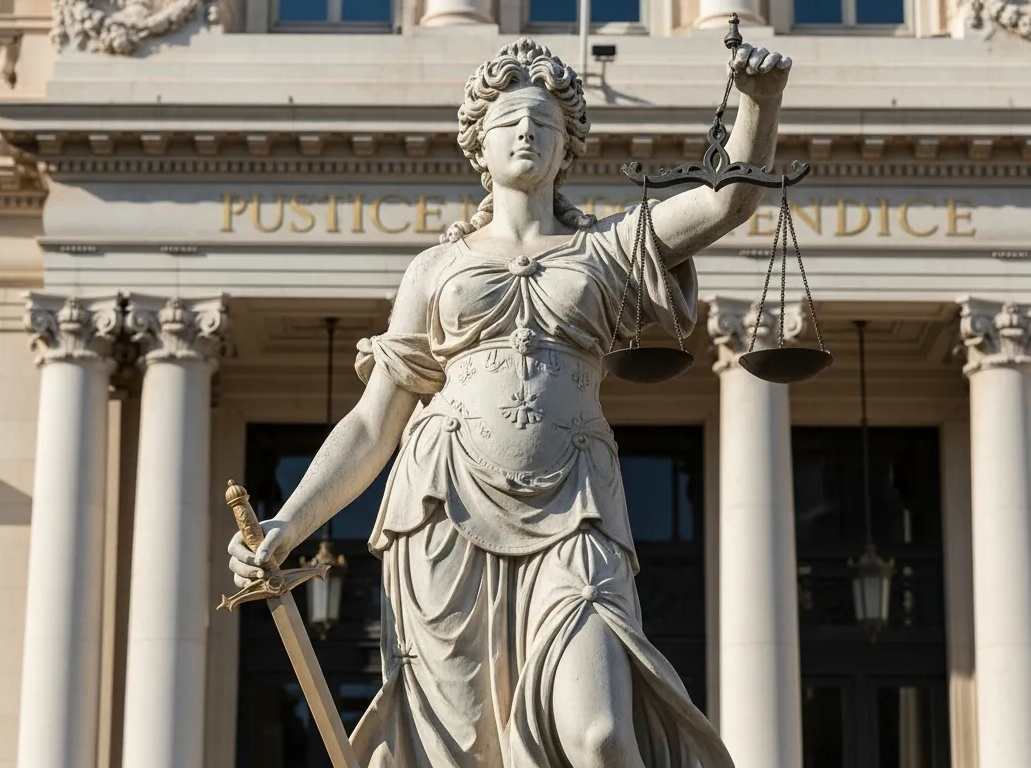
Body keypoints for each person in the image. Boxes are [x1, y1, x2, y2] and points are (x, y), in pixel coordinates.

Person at [228, 34, 792, 767]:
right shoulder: (435, 270)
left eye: (544, 123)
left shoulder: (609, 251)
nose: (526, 131)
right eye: (509, 122)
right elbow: (374, 420)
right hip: (444, 511)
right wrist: (287, 524)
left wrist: (758, 103)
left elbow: (729, 200)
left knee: (601, 735)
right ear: (479, 145)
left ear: (567, 148)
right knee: (457, 752)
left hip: (575, 511)